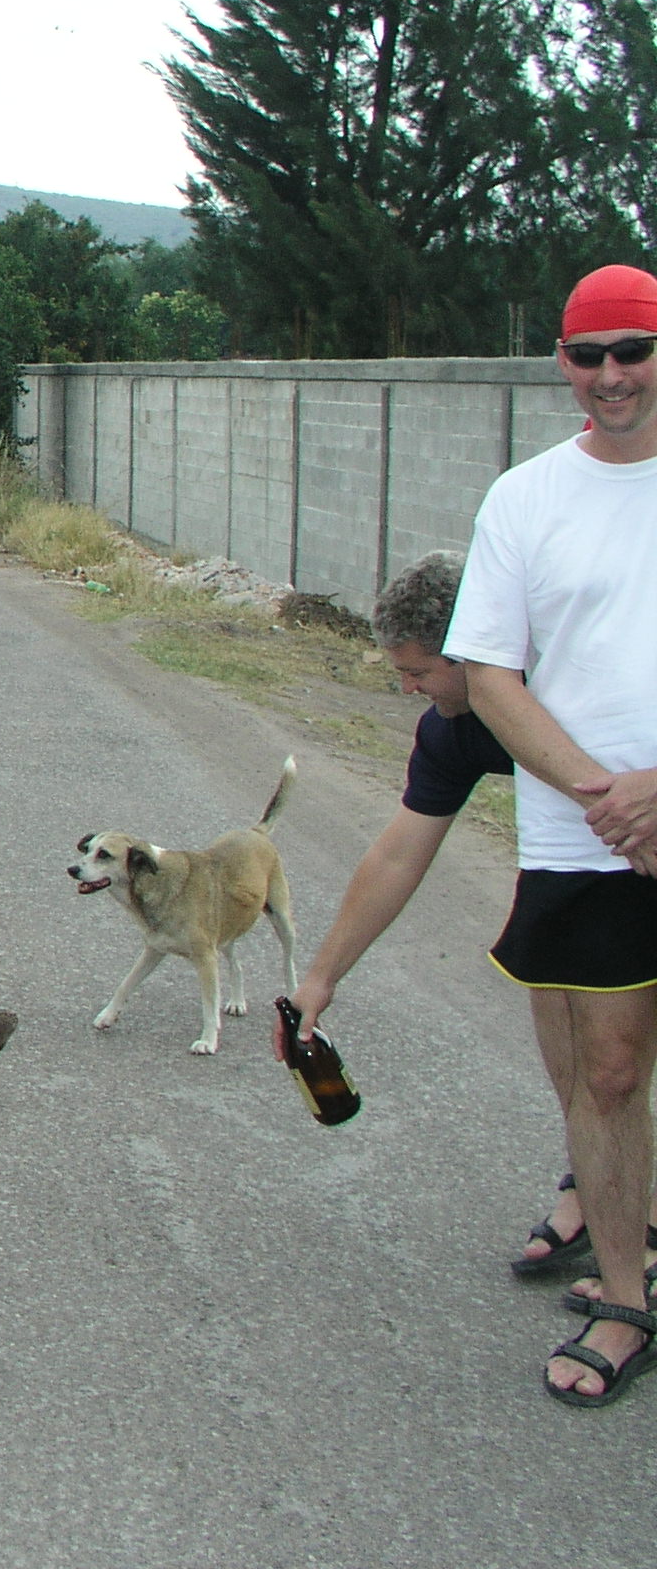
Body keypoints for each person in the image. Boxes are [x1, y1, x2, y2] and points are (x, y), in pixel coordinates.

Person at [282, 553, 657, 1283]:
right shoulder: (452, 730)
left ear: (472, 652)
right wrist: (321, 979)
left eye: (418, 672)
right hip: (572, 877)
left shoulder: (583, 682)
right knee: (582, 1045)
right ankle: (596, 1191)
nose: (407, 689)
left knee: (621, 1064)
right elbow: (399, 853)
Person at [445, 264, 657, 1406]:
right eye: (589, 356)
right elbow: (488, 673)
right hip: (585, 838)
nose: (612, 376)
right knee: (608, 1075)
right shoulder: (524, 498)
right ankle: (625, 1300)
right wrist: (606, 797)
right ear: (562, 364)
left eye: (634, 351)